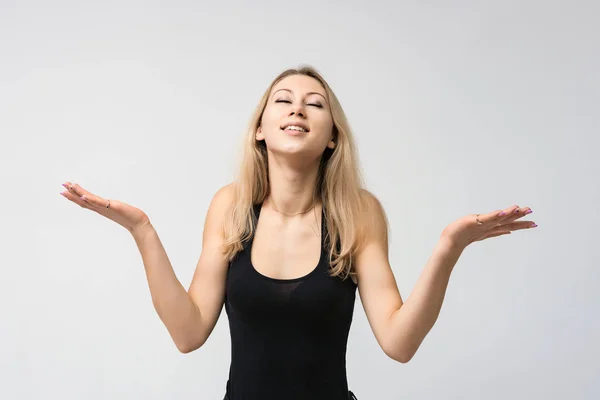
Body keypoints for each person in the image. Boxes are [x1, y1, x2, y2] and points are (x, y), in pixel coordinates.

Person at [60, 65, 537, 400]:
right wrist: (142, 231)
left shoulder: (358, 213)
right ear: (260, 130)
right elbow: (187, 333)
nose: (298, 109)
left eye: (315, 104)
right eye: (283, 101)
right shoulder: (230, 205)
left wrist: (448, 248)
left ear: (332, 136)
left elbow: (399, 342)